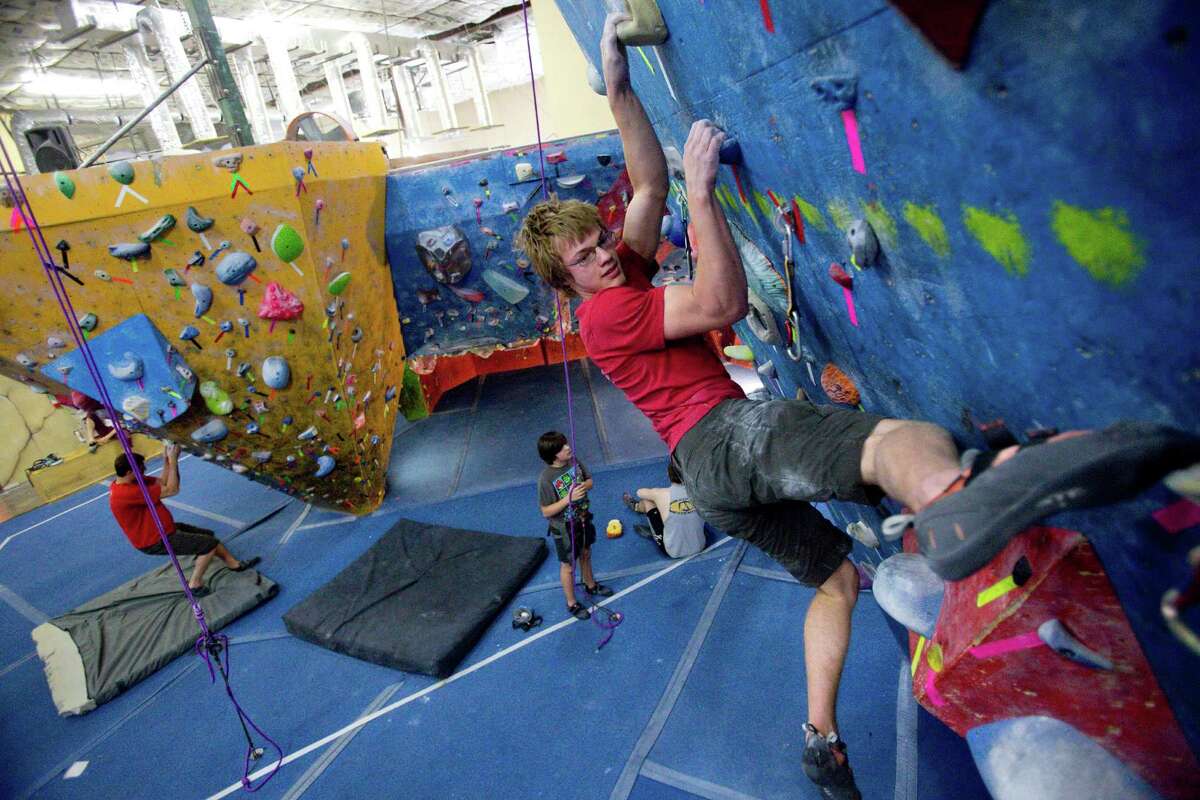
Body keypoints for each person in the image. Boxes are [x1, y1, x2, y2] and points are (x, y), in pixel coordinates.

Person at [516, 13, 1199, 799]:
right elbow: (721, 300)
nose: (605, 251)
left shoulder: (615, 277)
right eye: (585, 257)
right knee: (896, 441)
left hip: (708, 481)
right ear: (565, 281)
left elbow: (643, 183)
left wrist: (619, 81)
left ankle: (822, 739)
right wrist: (703, 195)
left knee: (837, 581)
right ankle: (952, 501)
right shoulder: (606, 313)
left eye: (600, 239)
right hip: (728, 436)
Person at [109, 443, 259, 597]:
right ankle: (194, 583)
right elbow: (172, 489)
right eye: (141, 468)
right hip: (155, 540)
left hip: (164, 529)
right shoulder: (125, 493)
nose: (144, 470)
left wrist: (167, 460)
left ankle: (233, 564)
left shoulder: (133, 481)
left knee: (208, 535)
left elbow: (162, 483)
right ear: (129, 472)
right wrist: (174, 462)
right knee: (209, 545)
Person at [536, 431, 613, 620]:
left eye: (566, 443)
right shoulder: (546, 479)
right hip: (564, 527)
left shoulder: (574, 462)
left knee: (586, 553)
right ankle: (572, 603)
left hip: (583, 517)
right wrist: (568, 499)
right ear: (553, 455)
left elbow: (590, 482)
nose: (568, 447)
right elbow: (546, 511)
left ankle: (590, 584)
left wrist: (583, 488)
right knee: (568, 565)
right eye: (562, 447)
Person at [623, 461, 706, 559]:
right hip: (700, 546)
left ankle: (637, 507)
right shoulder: (700, 491)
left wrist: (656, 493)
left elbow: (639, 492)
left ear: (668, 475)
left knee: (647, 502)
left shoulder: (660, 493)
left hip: (674, 552)